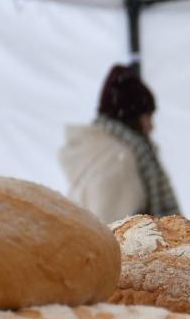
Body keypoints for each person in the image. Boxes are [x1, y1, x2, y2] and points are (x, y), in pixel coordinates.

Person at [60, 64, 181, 223]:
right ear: (131, 117)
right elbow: (112, 232)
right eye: (147, 117)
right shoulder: (117, 159)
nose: (152, 126)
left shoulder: (102, 149)